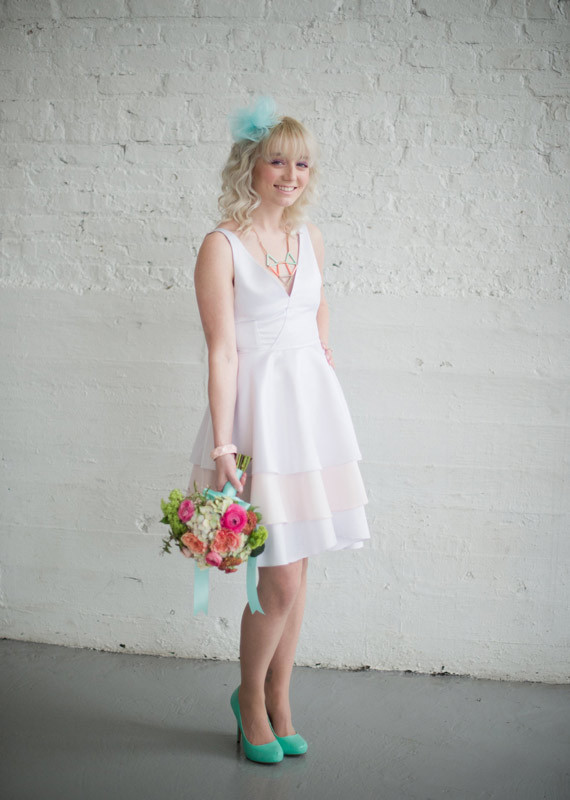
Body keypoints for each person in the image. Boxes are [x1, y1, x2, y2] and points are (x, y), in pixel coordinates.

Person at [187, 96, 370, 764]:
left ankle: (279, 699)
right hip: (256, 417)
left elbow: (317, 310)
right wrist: (225, 444)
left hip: (309, 414)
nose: (291, 175)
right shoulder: (222, 246)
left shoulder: (308, 237)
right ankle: (249, 700)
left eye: (302, 164)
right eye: (277, 161)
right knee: (280, 577)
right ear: (251, 165)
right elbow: (221, 352)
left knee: (300, 563)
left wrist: (320, 358)